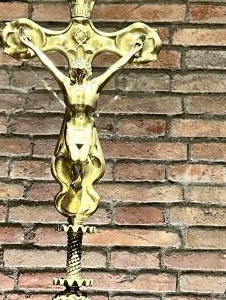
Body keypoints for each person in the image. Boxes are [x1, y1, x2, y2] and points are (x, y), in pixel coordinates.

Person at [18, 29, 144, 223]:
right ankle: (75, 180)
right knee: (74, 157)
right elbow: (48, 64)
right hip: (72, 127)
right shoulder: (67, 85)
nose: (79, 72)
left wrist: (132, 51)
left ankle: (78, 181)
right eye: (76, 70)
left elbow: (114, 68)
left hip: (86, 129)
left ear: (87, 71)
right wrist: (31, 45)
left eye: (82, 70)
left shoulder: (94, 86)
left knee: (83, 158)